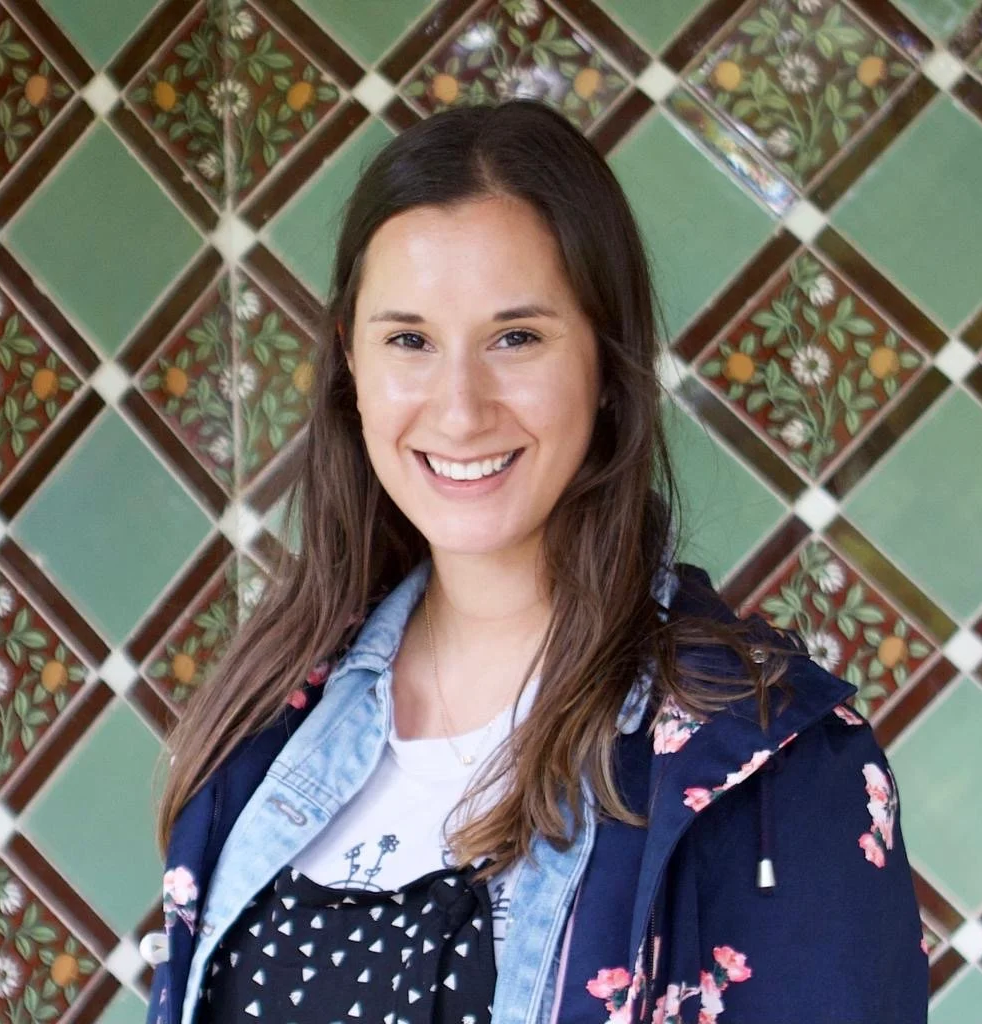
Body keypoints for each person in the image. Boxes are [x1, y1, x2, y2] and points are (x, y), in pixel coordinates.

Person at [142, 99, 929, 1024]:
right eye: (409, 341)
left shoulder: (770, 764)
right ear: (350, 369)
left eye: (516, 337)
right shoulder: (264, 723)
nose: (460, 407)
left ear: (605, 364)